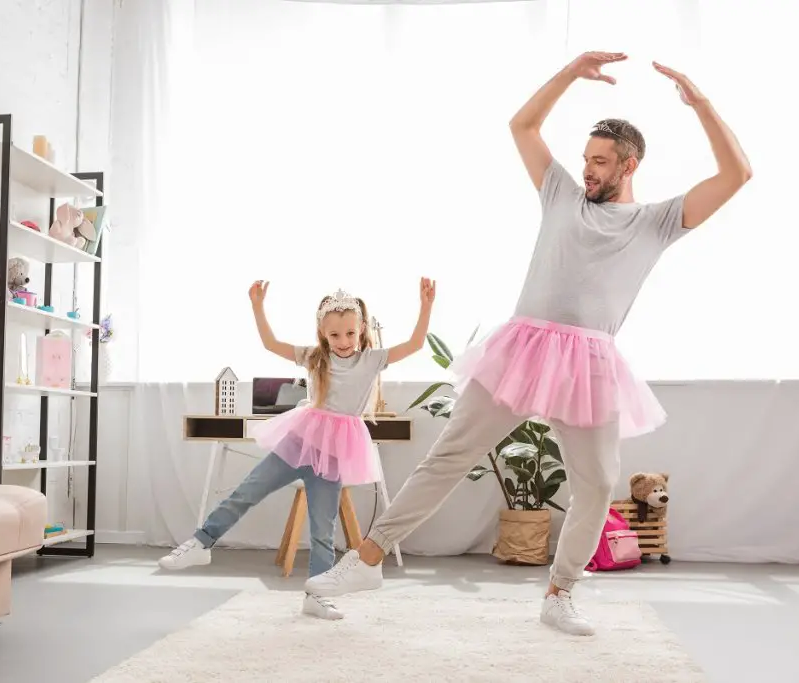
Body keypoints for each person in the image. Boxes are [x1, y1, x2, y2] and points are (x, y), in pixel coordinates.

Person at [305, 51, 752, 635]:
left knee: (595, 481)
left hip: (589, 361)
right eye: (585, 158)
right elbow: (522, 126)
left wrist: (702, 106)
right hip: (522, 349)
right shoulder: (562, 194)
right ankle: (365, 561)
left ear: (629, 164)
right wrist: (570, 72)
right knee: (450, 455)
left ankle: (560, 593)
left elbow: (737, 174)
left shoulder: (658, 222)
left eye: (599, 162)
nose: (587, 169)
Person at [158, 277, 436, 620]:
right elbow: (271, 343)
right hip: (300, 441)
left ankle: (316, 596)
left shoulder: (372, 360)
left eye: (350, 333)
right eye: (335, 335)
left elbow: (415, 344)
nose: (344, 341)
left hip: (334, 452)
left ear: (362, 329)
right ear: (323, 333)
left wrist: (425, 307)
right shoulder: (315, 357)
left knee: (324, 527)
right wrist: (258, 307)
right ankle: (202, 542)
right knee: (248, 490)